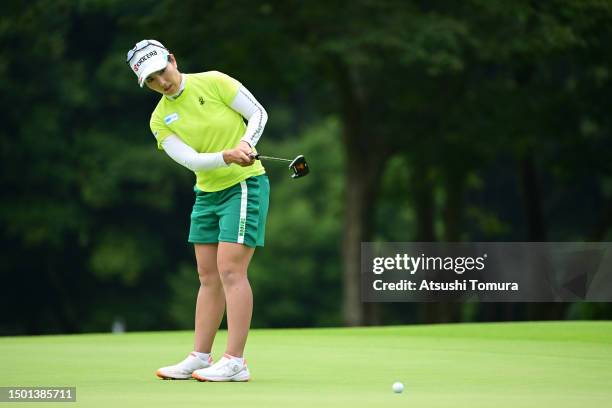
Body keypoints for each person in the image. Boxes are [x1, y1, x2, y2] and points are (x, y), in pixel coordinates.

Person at [126, 39, 270, 382]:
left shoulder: (215, 81)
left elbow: (258, 113)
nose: (162, 81)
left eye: (162, 71)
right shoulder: (159, 119)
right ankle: (200, 356)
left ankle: (235, 361)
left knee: (231, 271)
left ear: (172, 60)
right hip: (206, 193)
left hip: (244, 185)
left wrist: (245, 144)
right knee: (207, 276)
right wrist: (224, 155)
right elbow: (189, 159)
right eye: (151, 80)